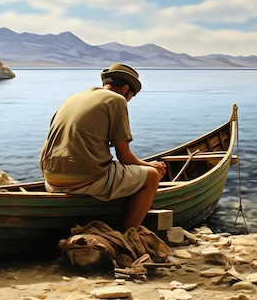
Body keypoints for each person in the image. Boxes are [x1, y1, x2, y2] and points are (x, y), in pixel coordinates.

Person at [39, 63, 166, 231]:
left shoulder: (73, 98)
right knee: (151, 176)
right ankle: (127, 236)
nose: (128, 101)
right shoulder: (117, 100)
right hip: (84, 180)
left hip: (50, 179)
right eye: (131, 96)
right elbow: (124, 157)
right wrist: (151, 166)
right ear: (126, 89)